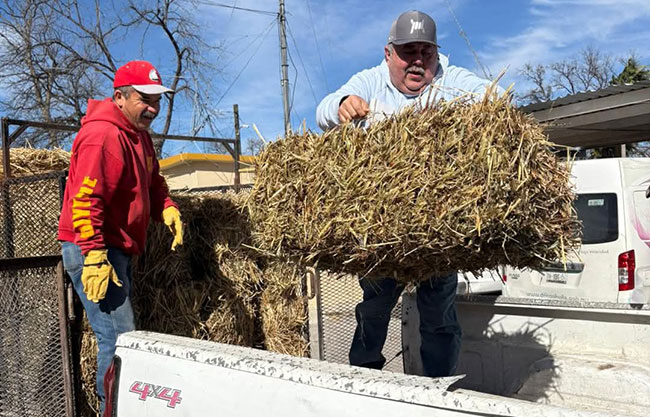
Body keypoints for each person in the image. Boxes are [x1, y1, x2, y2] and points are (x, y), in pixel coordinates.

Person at [316, 10, 501, 377]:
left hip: (437, 231)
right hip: (381, 230)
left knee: (439, 313)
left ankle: (438, 386)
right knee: (374, 309)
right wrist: (343, 104)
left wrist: (480, 110)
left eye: (426, 52)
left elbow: (493, 99)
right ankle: (365, 378)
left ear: (436, 54)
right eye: (408, 52)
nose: (418, 61)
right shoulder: (371, 80)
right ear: (389, 54)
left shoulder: (450, 79)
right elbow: (325, 109)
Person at [58, 60, 184, 411]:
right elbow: (85, 200)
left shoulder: (139, 137)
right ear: (119, 97)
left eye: (157, 101)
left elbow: (153, 182)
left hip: (116, 249)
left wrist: (167, 207)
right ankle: (111, 409)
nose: (153, 109)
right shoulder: (103, 135)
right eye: (145, 100)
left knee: (121, 336)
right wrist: (94, 255)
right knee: (118, 339)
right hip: (95, 249)